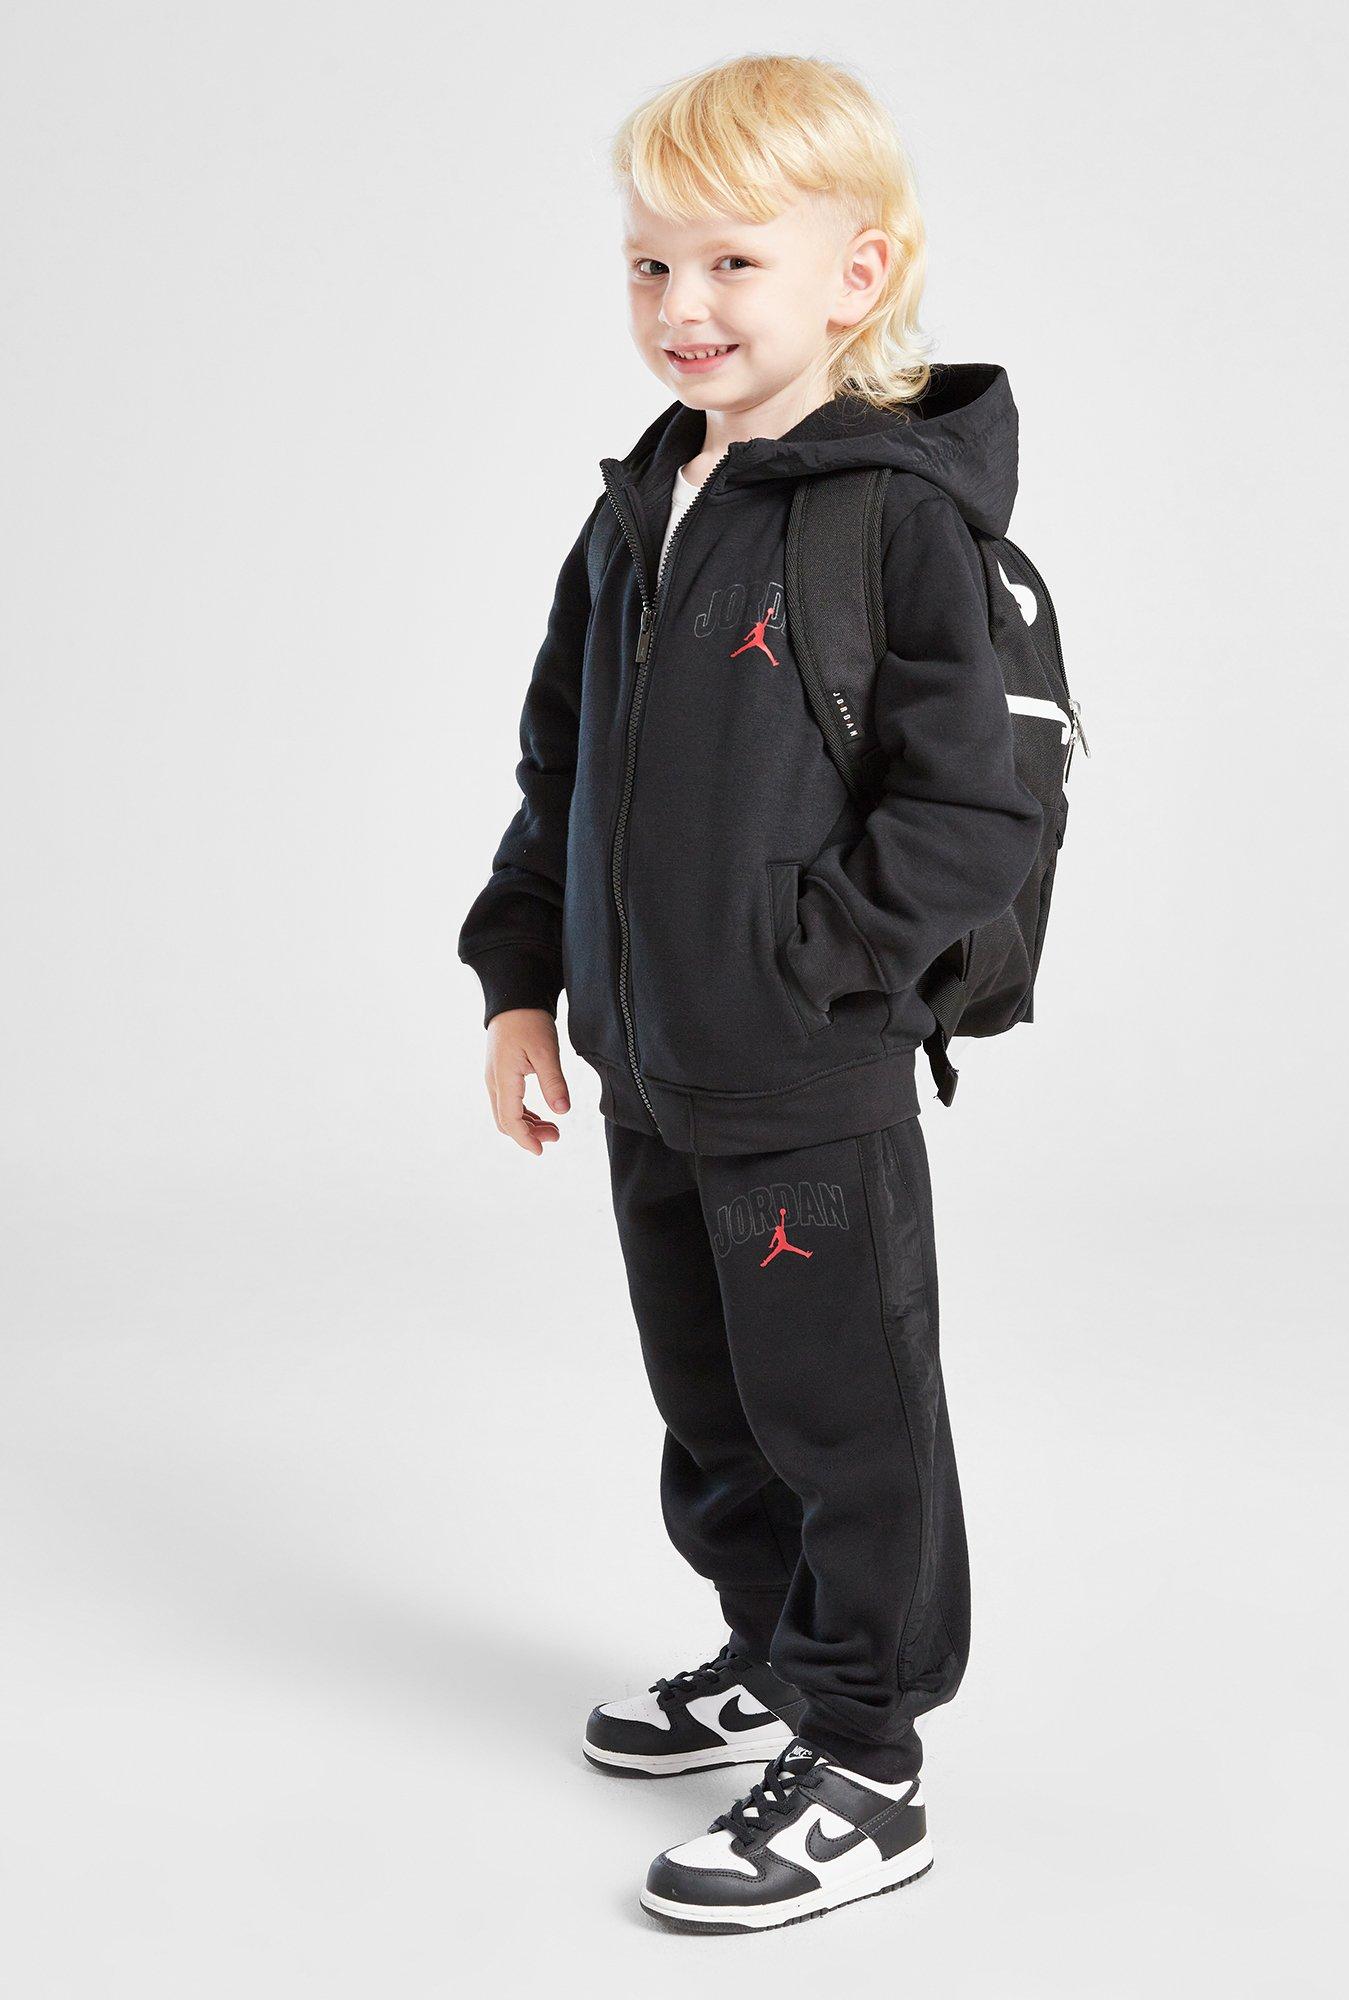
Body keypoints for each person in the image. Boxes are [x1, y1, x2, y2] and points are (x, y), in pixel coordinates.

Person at [458, 52, 1046, 1933]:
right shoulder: (642, 504)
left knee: (843, 1417)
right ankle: (774, 1656)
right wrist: (523, 978)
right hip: (652, 1071)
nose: (680, 305)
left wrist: (814, 969)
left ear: (857, 275)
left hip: (804, 1076)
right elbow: (563, 769)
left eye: (731, 263)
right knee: (712, 1406)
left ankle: (867, 1757)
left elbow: (976, 811)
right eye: (650, 265)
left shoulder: (896, 520)